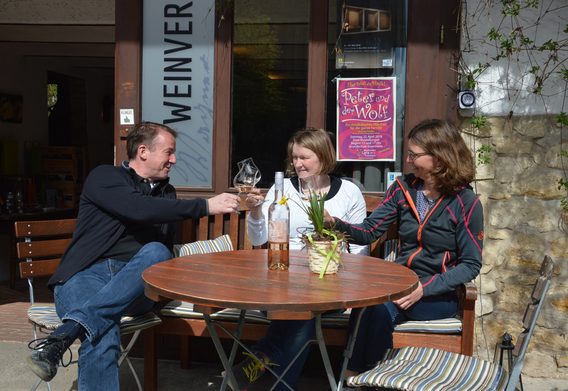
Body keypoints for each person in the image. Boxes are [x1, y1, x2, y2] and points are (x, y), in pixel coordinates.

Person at [26, 121, 240, 389]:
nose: (174, 159)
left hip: (136, 284)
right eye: (169, 152)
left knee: (156, 251)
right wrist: (206, 205)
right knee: (102, 331)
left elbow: (160, 249)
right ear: (143, 151)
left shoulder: (166, 194)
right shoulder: (105, 177)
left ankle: (64, 336)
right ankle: (80, 328)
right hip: (84, 276)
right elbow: (138, 208)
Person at [326, 119, 484, 379]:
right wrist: (335, 224)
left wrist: (425, 288)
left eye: (414, 155)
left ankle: (364, 376)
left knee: (376, 308)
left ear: (439, 156)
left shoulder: (465, 202)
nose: (408, 161)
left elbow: (470, 264)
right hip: (399, 285)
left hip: (436, 296)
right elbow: (369, 231)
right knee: (367, 304)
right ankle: (357, 375)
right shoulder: (403, 188)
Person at [231, 128, 368, 390]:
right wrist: (256, 211)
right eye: (294, 158)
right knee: (302, 314)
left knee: (303, 314)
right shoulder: (282, 190)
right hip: (282, 278)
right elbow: (259, 238)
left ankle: (258, 361)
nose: (297, 164)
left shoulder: (349, 192)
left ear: (323, 156)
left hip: (329, 279)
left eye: (304, 157)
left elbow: (360, 247)